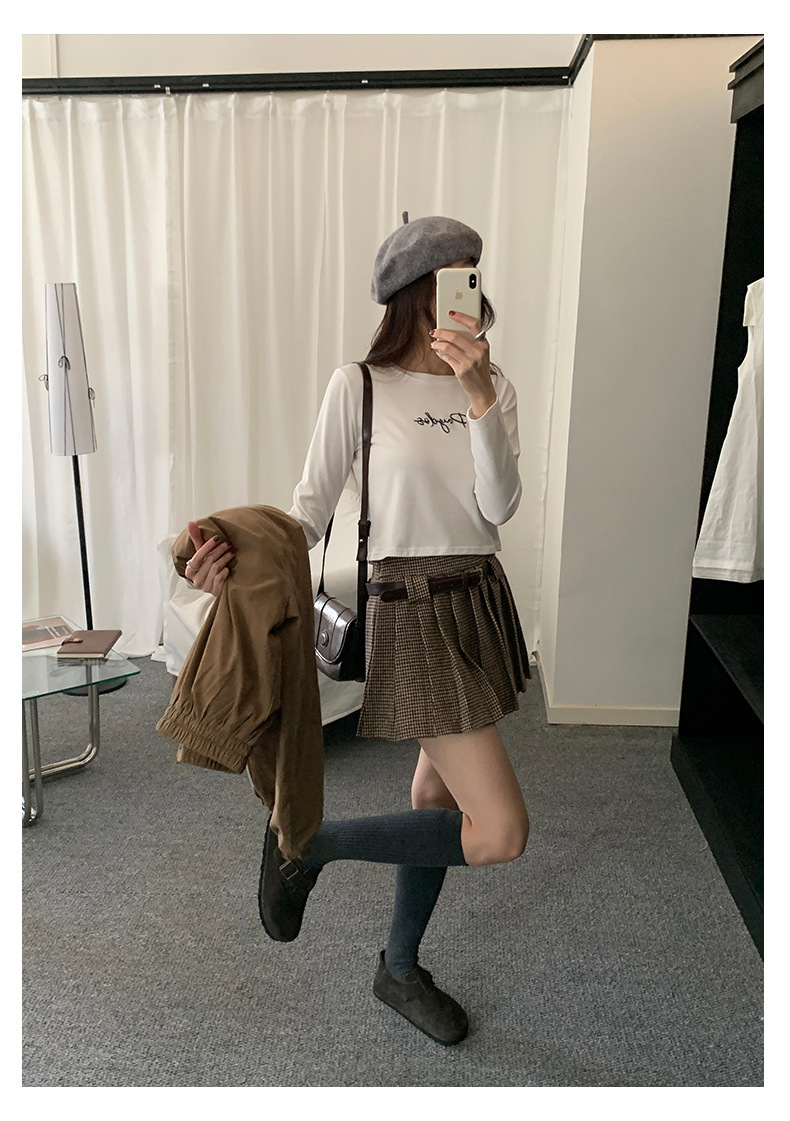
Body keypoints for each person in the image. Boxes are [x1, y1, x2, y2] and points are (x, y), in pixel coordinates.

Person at [183, 214, 531, 1046]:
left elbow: (500, 507)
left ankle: (399, 968)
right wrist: (220, 553)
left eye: (474, 274)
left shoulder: (494, 387)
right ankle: (307, 844)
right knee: (500, 831)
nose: (468, 291)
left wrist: (479, 397)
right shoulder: (361, 386)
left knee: (435, 798)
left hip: (480, 601)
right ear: (414, 291)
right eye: (452, 276)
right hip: (411, 611)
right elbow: (304, 516)